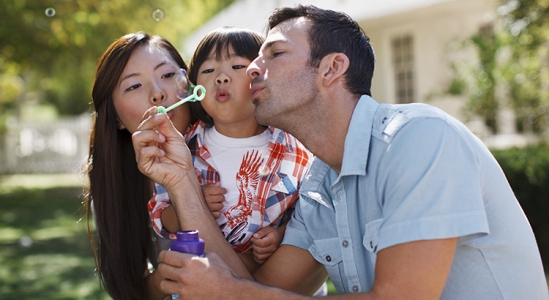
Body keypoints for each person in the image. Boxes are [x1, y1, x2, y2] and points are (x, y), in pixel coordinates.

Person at [132, 4, 549, 300]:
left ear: (332, 69)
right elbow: (260, 290)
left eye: (274, 54)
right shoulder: (318, 187)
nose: (252, 69)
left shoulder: (420, 138)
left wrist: (233, 295)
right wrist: (181, 178)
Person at [147, 26, 312, 269]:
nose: (221, 77)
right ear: (193, 90)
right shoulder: (181, 148)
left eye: (237, 67)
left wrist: (280, 236)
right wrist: (192, 203)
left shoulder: (293, 149)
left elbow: (307, 212)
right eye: (208, 70)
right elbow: (160, 215)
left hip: (262, 277)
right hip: (200, 276)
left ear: (262, 78)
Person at [83, 32, 196, 299]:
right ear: (117, 118)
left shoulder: (241, 145)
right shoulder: (114, 184)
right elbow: (130, 288)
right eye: (134, 86)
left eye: (167, 75)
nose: (157, 94)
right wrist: (164, 279)